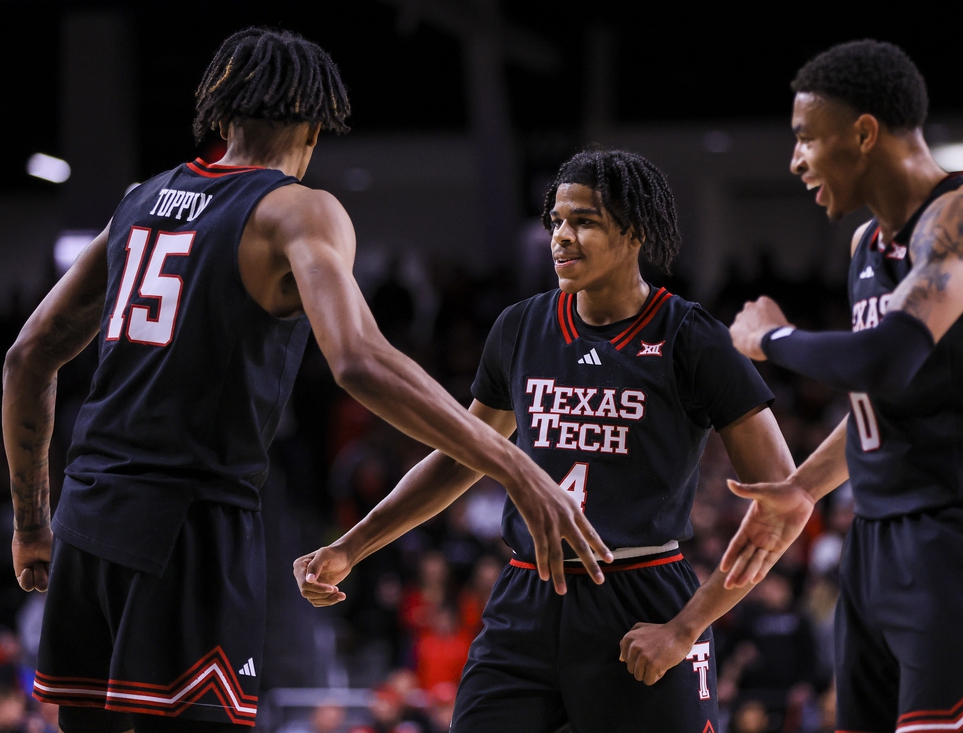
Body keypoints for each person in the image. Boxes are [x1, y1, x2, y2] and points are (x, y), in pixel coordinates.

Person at [1, 27, 607, 733]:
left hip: (85, 519)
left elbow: (27, 356)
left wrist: (31, 524)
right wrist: (514, 465)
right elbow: (359, 359)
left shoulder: (140, 199)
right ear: (315, 127)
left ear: (219, 115)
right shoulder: (296, 209)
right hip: (187, 526)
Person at [296, 149, 796, 732]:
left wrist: (685, 627)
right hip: (525, 595)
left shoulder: (690, 336)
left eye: (584, 221)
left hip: (642, 599)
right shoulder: (522, 325)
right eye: (557, 221)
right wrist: (351, 548)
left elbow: (783, 500)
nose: (562, 236)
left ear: (634, 233)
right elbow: (458, 460)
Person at [726, 40, 963, 732]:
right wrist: (804, 488)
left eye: (806, 138)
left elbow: (885, 359)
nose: (796, 159)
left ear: (863, 133)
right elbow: (885, 396)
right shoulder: (866, 245)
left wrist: (769, 340)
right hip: (875, 544)